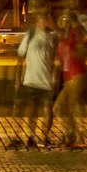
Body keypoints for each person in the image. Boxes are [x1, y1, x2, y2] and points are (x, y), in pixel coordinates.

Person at [12, 8, 58, 149]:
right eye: (42, 19)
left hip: (46, 79)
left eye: (47, 19)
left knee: (48, 109)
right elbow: (21, 57)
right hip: (31, 78)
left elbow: (56, 59)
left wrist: (55, 76)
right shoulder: (31, 35)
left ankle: (44, 136)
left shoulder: (53, 37)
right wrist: (17, 78)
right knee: (32, 109)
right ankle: (30, 136)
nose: (44, 22)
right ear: (38, 21)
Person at [48, 16, 87, 148]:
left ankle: (77, 136)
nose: (63, 24)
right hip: (68, 78)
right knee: (57, 107)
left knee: (70, 106)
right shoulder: (62, 41)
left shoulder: (75, 34)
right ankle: (70, 133)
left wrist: (79, 52)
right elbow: (59, 61)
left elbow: (82, 45)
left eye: (66, 21)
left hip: (78, 75)